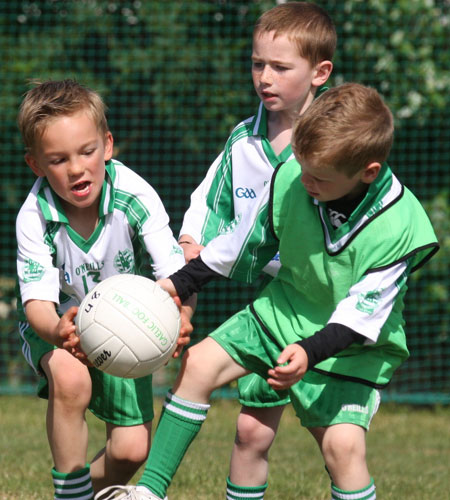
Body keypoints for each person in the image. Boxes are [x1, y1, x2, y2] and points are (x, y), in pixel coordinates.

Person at [97, 82, 439, 500]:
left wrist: (309, 353)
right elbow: (238, 245)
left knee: (342, 448)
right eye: (302, 165)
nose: (305, 180)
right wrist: (173, 285)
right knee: (199, 364)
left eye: (320, 177)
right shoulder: (294, 175)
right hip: (282, 312)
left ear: (367, 172)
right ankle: (149, 492)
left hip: (352, 348)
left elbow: (359, 314)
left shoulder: (401, 226)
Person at [177, 3, 334, 498]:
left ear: (319, 74)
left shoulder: (334, 143)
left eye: (280, 67)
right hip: (273, 306)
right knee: (249, 432)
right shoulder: (242, 140)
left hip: (327, 312)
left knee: (337, 444)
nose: (264, 77)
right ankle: (149, 489)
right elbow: (211, 201)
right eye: (256, 63)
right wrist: (189, 242)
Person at [15, 79, 194, 500]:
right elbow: (38, 304)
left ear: (108, 145)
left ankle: (81, 495)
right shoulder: (34, 216)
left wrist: (182, 317)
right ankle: (71, 493)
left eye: (87, 152)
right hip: (60, 328)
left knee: (131, 451)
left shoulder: (136, 195)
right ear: (36, 165)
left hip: (127, 328)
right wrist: (59, 331)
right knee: (70, 377)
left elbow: (176, 272)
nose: (76, 168)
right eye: (58, 159)